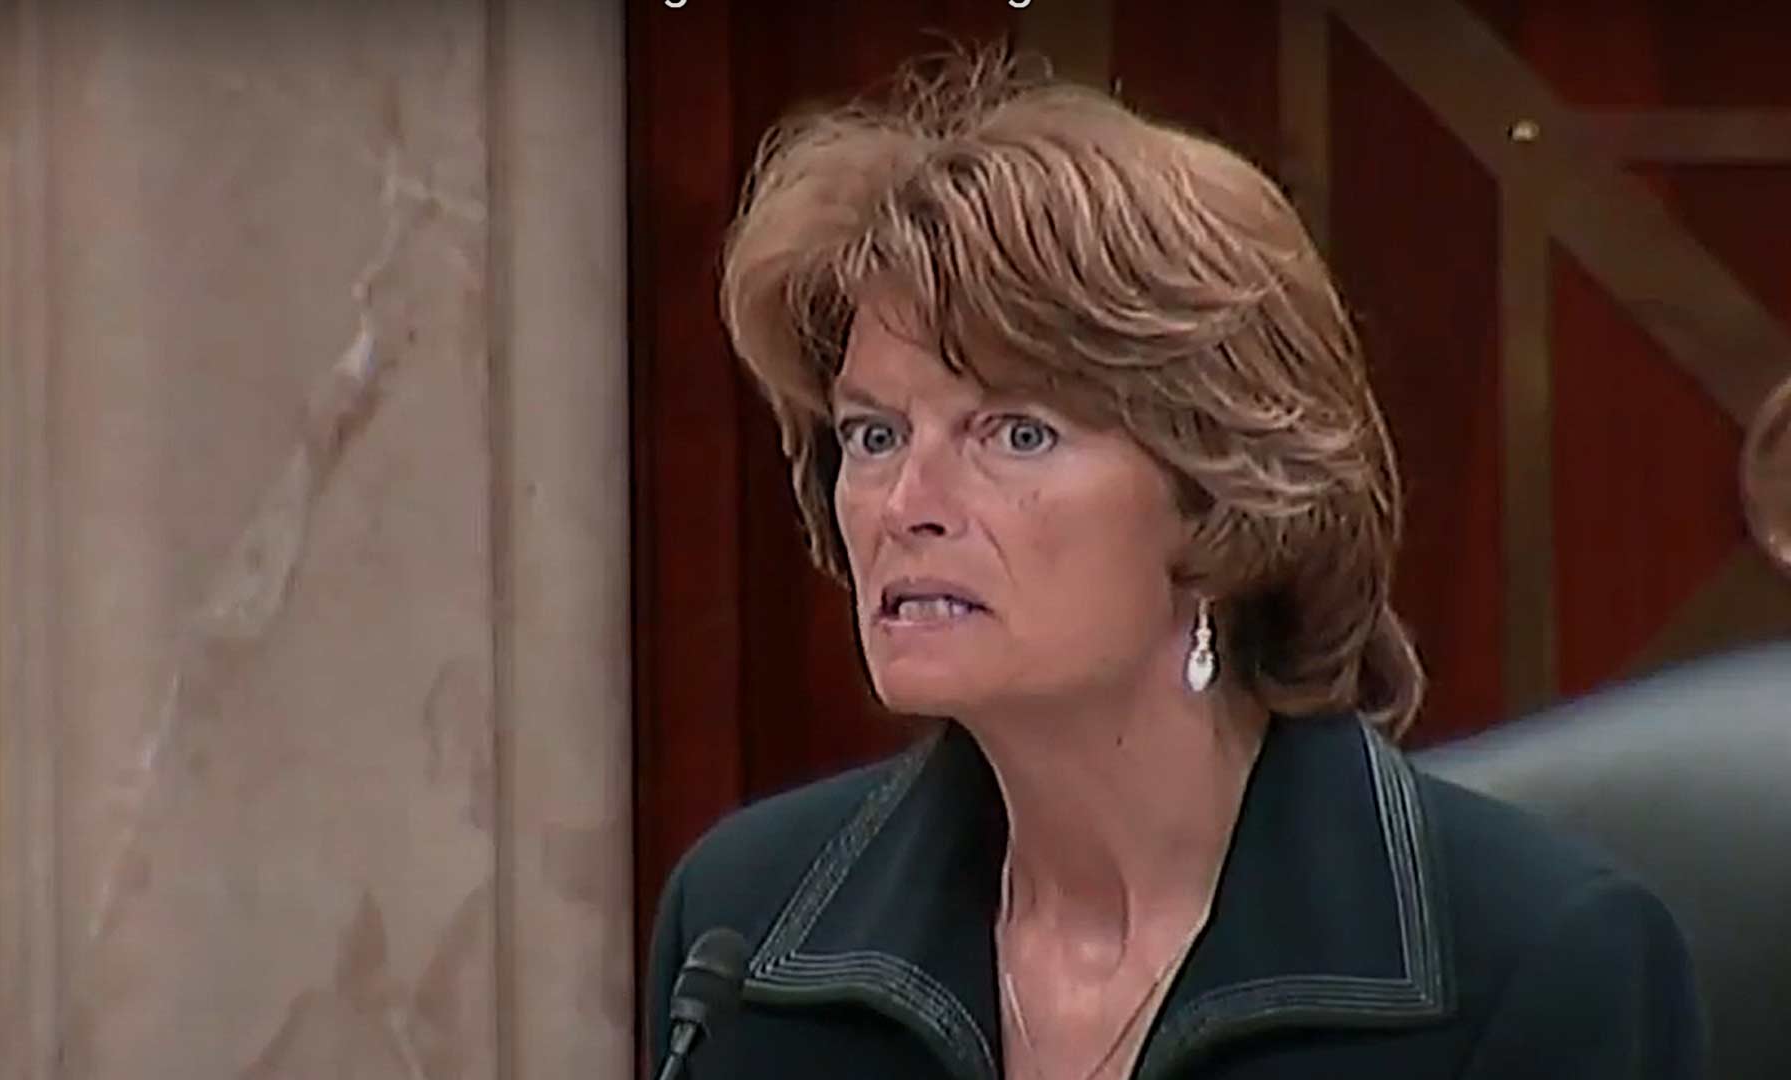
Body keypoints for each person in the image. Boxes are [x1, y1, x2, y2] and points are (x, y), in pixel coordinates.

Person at [647, 47, 1702, 1079]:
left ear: (1215, 497)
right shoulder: (745, 934)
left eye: (1015, 433)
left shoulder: (1542, 964)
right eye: (875, 435)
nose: (904, 506)